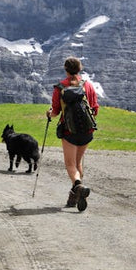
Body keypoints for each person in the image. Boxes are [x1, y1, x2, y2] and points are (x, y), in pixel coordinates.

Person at [46, 57, 99, 211]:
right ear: (79, 68)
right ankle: (74, 196)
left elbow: (55, 111)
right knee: (78, 163)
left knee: (70, 164)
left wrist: (49, 113)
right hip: (87, 131)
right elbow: (95, 108)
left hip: (69, 132)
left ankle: (78, 186)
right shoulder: (87, 86)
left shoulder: (60, 88)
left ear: (66, 69)